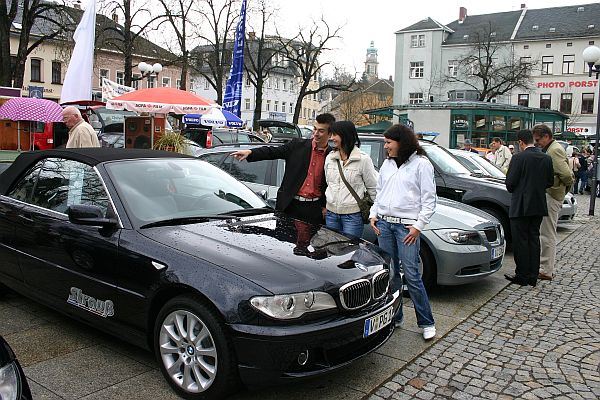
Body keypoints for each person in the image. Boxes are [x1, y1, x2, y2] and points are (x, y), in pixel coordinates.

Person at [369, 124, 437, 340]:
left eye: (389, 142)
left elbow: (429, 200)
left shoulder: (421, 164)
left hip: (406, 228)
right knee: (390, 274)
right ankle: (395, 317)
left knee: (412, 275)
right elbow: (380, 194)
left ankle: (426, 322)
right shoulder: (387, 165)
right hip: (384, 226)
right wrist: (373, 214)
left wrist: (418, 227)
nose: (386, 146)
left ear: (402, 142)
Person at [231, 113, 335, 224]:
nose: (316, 133)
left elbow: (332, 185)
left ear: (330, 134)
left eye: (321, 131)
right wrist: (251, 152)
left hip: (314, 209)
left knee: (310, 241)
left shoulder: (332, 155)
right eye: (315, 129)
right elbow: (273, 152)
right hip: (289, 206)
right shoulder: (297, 146)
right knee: (285, 240)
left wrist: (325, 206)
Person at [504, 130, 554, 287]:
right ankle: (533, 275)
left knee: (521, 241)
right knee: (534, 239)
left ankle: (522, 274)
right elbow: (549, 182)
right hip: (538, 204)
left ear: (521, 142)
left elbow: (510, 183)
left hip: (520, 205)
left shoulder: (518, 158)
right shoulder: (546, 158)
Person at [532, 124, 574, 281]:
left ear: (546, 136)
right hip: (553, 194)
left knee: (547, 233)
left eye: (538, 140)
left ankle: (546, 269)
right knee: (547, 232)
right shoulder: (552, 148)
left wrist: (561, 191)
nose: (537, 143)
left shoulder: (554, 150)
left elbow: (566, 175)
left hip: (552, 195)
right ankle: (546, 268)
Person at [324, 121, 378, 237]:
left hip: (352, 216)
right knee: (331, 250)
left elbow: (372, 188)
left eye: (334, 135)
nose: (331, 138)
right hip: (331, 214)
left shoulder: (363, 160)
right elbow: (328, 183)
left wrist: (376, 213)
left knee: (350, 251)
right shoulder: (330, 158)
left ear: (345, 135)